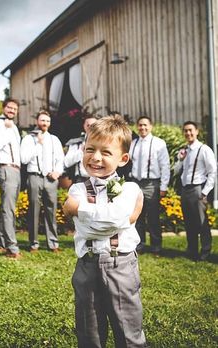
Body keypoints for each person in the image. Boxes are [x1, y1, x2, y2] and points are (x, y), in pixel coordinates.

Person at [63, 115, 147, 348]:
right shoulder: (78, 189)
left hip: (120, 265)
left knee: (128, 329)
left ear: (123, 158)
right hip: (87, 265)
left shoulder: (130, 188)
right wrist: (116, 218)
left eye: (106, 152)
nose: (96, 157)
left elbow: (115, 220)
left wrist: (80, 209)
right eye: (90, 149)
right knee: (89, 331)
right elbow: (94, 226)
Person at [21, 110, 64, 252]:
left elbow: (60, 159)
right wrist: (38, 144)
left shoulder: (54, 139)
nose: (45, 123)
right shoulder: (28, 139)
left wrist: (57, 172)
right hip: (34, 176)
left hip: (51, 178)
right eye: (42, 120)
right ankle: (34, 244)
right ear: (37, 121)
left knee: (51, 210)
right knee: (34, 210)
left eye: (47, 121)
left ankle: (53, 243)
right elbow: (24, 159)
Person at [174, 121, 217, 261]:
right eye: (185, 131)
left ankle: (205, 251)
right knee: (189, 222)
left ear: (197, 131)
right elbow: (176, 171)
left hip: (198, 189)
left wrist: (205, 192)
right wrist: (180, 160)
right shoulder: (184, 150)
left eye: (191, 130)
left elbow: (212, 172)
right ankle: (191, 250)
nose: (188, 133)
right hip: (185, 190)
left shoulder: (204, 149)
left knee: (201, 222)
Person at [129, 116, 170, 255]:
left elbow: (165, 166)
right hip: (136, 183)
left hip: (151, 184)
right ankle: (139, 245)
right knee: (137, 216)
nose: (143, 128)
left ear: (151, 126)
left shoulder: (159, 143)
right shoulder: (133, 143)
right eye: (140, 125)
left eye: (145, 125)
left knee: (153, 217)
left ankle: (156, 247)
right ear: (137, 127)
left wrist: (164, 187)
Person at [0, 98, 21, 258]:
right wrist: (7, 130)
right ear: (3, 108)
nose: (12, 111)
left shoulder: (13, 126)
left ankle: (2, 245)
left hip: (16, 169)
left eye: (15, 109)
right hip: (5, 167)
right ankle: (12, 247)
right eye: (9, 107)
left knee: (6, 209)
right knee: (8, 209)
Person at [64, 114, 98, 183]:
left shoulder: (104, 143)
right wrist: (81, 151)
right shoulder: (77, 143)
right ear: (84, 126)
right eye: (88, 125)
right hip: (81, 180)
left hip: (99, 180)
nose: (91, 128)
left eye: (93, 125)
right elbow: (66, 163)